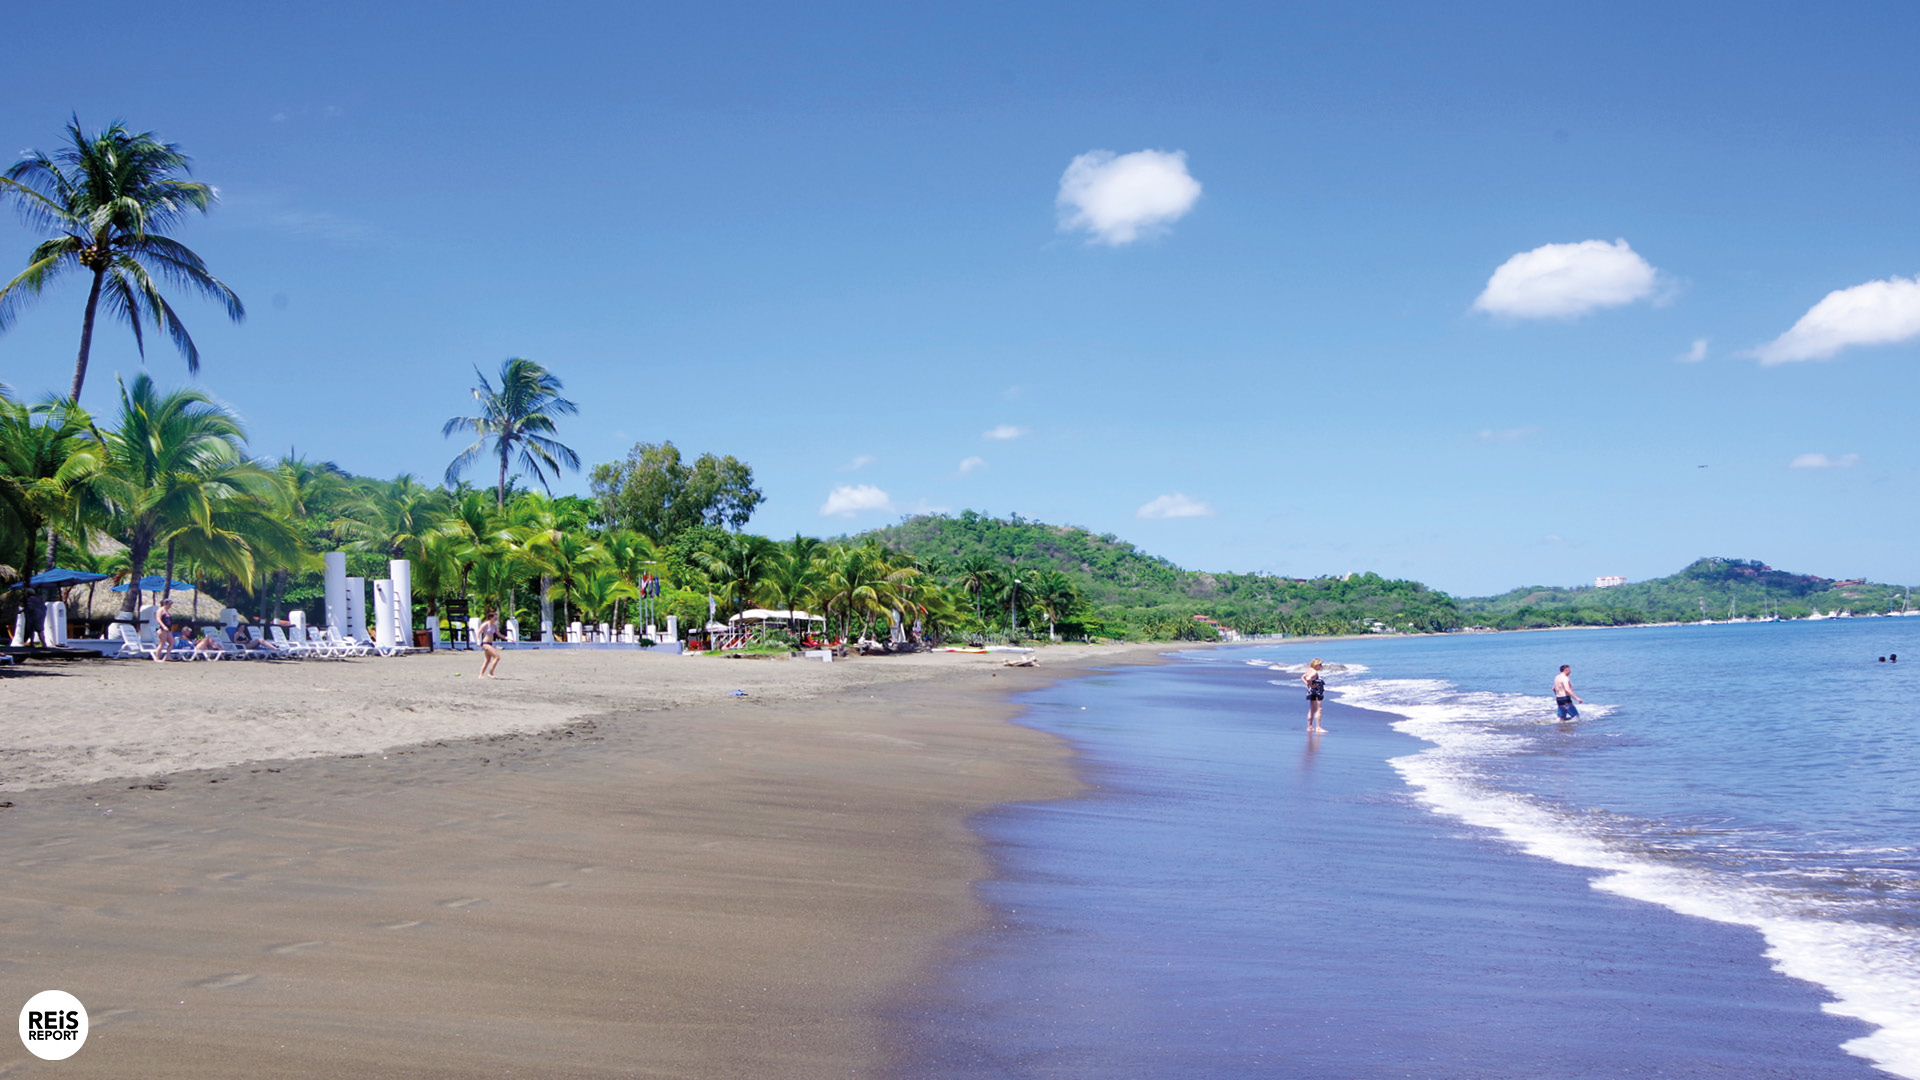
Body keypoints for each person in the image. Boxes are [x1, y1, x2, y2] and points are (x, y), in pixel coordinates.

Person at [1301, 658, 1328, 734]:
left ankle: (1309, 726)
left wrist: (1308, 684)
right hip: (1316, 692)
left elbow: (1303, 677)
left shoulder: (1309, 670)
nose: (1321, 666)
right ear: (1316, 665)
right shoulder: (1314, 672)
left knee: (1312, 709)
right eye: (1320, 665)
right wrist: (1311, 685)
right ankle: (1318, 727)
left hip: (1310, 691)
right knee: (1319, 709)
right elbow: (1309, 678)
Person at [479, 608, 502, 678]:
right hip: (485, 643)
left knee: (487, 660)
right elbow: (478, 632)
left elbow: (499, 634)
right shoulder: (486, 624)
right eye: (495, 617)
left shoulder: (493, 626)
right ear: (491, 617)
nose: (496, 619)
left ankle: (481, 675)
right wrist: (477, 641)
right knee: (497, 657)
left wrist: (508, 638)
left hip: (490, 644)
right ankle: (490, 673)